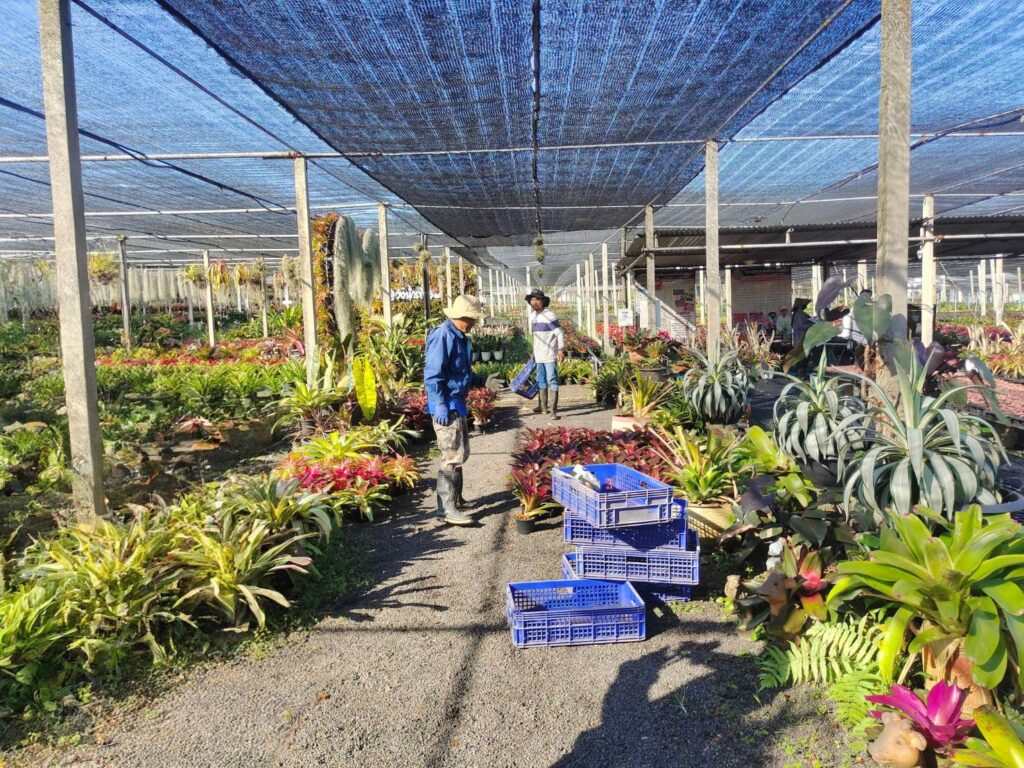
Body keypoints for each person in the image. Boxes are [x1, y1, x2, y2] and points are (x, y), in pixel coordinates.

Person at [424, 294, 490, 526]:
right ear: (460, 316)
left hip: (457, 403)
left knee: (459, 453)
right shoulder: (443, 336)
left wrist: (481, 380)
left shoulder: (459, 336)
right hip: (446, 405)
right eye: (470, 319)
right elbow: (433, 373)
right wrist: (439, 403)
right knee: (450, 456)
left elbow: (460, 372)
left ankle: (456, 500)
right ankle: (445, 509)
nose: (473, 323)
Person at [525, 289, 566, 420]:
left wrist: (561, 349)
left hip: (549, 355)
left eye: (537, 299)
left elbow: (559, 333)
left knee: (552, 381)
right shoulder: (532, 317)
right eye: (532, 299)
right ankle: (542, 407)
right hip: (538, 356)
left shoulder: (550, 315)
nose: (534, 302)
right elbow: (536, 337)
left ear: (543, 301)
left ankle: (553, 411)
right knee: (540, 381)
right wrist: (533, 352)